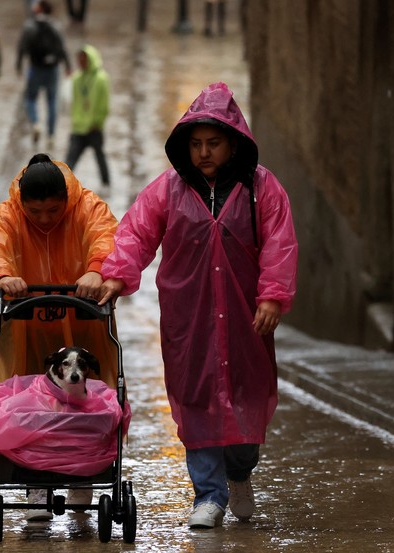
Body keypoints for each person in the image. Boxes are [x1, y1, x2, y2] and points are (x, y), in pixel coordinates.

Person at [98, 82, 298, 529]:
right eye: (196, 144)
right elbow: (136, 233)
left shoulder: (261, 188)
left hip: (247, 319)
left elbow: (280, 245)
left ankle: (239, 472)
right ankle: (208, 495)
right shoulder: (168, 190)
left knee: (247, 396)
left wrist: (272, 296)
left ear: (233, 144)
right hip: (188, 320)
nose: (204, 153)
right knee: (196, 400)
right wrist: (116, 273)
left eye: (213, 143)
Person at [0, 153, 119, 521]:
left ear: (66, 202)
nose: (44, 220)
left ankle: (83, 475)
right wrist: (4, 275)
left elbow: (106, 237)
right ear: (22, 204)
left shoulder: (88, 206)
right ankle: (33, 482)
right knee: (29, 402)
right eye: (34, 213)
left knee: (86, 402)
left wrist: (94, 270)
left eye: (53, 211)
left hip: (83, 322)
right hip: (25, 327)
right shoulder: (7, 215)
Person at [17, 1, 72, 148]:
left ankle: (35, 123)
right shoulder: (55, 25)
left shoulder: (30, 25)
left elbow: (22, 46)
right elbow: (62, 46)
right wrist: (68, 65)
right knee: (52, 101)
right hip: (52, 69)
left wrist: (19, 64)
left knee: (30, 98)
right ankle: (51, 135)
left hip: (35, 68)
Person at [65, 45, 110, 188]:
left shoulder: (101, 79)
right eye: (79, 60)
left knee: (100, 157)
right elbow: (74, 101)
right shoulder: (76, 78)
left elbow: (104, 103)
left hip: (94, 127)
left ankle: (106, 183)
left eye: (84, 60)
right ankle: (62, 186)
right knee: (70, 160)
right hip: (78, 127)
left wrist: (98, 122)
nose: (81, 63)